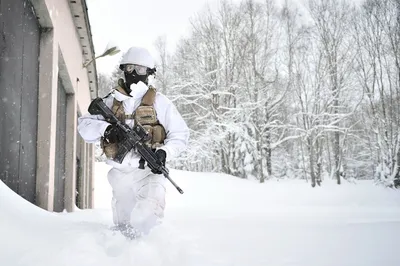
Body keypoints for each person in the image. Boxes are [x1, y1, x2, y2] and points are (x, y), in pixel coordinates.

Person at [77, 46, 190, 238]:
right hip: (120, 175)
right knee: (124, 229)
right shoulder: (111, 102)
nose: (134, 74)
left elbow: (180, 135)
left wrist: (164, 153)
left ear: (149, 73)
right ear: (123, 70)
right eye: (130, 68)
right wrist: (106, 129)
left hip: (149, 173)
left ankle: (150, 255)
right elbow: (83, 127)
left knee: (148, 221)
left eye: (140, 70)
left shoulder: (160, 103)